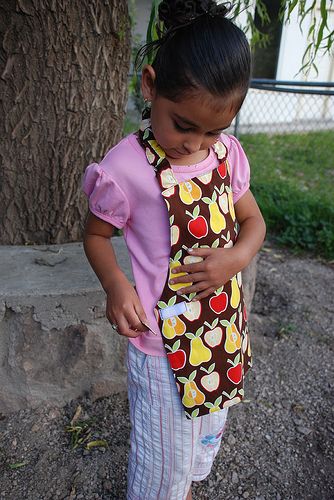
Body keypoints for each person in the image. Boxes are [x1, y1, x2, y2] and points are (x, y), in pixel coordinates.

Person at [82, 0, 266, 498]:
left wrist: (237, 256)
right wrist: (116, 284)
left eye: (213, 130)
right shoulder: (125, 167)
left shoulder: (224, 156)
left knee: (207, 432)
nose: (196, 145)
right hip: (163, 345)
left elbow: (253, 221)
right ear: (149, 85)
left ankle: (186, 484)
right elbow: (95, 235)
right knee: (163, 454)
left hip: (222, 328)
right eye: (183, 125)